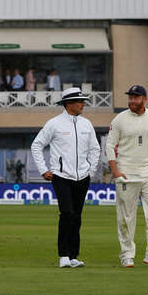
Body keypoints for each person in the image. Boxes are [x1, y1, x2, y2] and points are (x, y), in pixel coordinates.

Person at [31, 87, 101, 269]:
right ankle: (63, 255)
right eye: (79, 101)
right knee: (67, 213)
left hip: (82, 177)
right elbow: (37, 145)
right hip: (61, 176)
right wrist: (43, 170)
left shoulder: (86, 124)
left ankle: (73, 256)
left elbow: (95, 149)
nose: (83, 104)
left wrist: (91, 171)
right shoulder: (54, 123)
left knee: (77, 216)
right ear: (69, 104)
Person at [104, 85, 148, 268]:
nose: (132, 101)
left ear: (144, 99)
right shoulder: (119, 119)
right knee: (126, 217)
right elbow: (110, 145)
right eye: (130, 97)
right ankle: (126, 254)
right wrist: (115, 171)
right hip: (126, 173)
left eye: (136, 97)